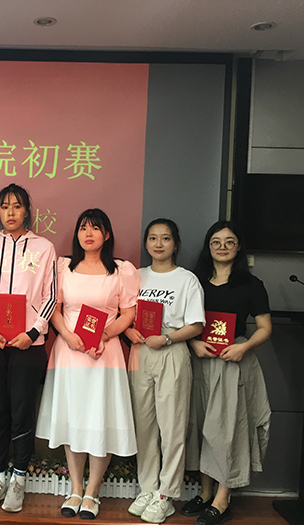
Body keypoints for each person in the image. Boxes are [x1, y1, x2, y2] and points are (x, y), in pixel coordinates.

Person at [36, 208, 139, 520]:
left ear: (106, 235)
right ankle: (75, 489)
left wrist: (105, 334)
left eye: (95, 228)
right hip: (70, 352)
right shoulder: (63, 267)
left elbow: (128, 312)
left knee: (99, 419)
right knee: (74, 419)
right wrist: (67, 335)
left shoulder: (121, 270)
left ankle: (93, 492)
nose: (88, 234)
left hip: (104, 353)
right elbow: (54, 308)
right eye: (83, 228)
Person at [182, 221, 272, 525]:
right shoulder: (194, 282)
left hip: (232, 361)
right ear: (208, 247)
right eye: (216, 242)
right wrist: (193, 342)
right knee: (200, 426)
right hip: (200, 361)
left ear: (238, 247)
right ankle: (206, 492)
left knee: (227, 430)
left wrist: (243, 348)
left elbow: (265, 328)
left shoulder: (251, 284)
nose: (222, 247)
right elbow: (182, 321)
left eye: (229, 241)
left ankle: (222, 499)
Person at [0, 183, 57, 513]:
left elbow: (51, 295)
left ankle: (19, 479)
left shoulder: (44, 247)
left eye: (17, 206)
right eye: (5, 206)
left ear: (27, 211)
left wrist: (33, 331)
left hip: (28, 344)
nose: (10, 212)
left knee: (22, 411)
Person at [124, 219, 205, 523]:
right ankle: (147, 488)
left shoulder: (187, 280)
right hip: (140, 351)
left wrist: (168, 338)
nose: (159, 244)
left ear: (175, 243)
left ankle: (166, 494)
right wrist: (128, 331)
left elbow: (196, 325)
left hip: (171, 349)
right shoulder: (136, 276)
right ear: (146, 243)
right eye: (153, 238)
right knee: (143, 425)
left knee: (172, 426)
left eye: (166, 238)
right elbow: (124, 314)